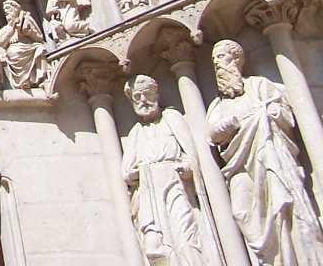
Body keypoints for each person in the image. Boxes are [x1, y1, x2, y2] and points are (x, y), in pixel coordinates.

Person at [206, 40, 323, 266]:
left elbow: (287, 115)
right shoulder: (219, 104)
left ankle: (295, 258)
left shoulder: (260, 86)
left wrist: (272, 112)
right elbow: (211, 134)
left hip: (270, 156)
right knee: (241, 212)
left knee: (282, 204)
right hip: (240, 167)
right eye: (214, 60)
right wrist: (227, 125)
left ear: (236, 59)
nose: (217, 64)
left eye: (221, 57)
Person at [122, 75, 206, 266]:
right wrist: (138, 171)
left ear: (157, 94)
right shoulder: (136, 132)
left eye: (147, 94)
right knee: (154, 248)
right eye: (137, 96)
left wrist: (186, 167)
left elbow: (192, 154)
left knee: (185, 238)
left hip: (176, 187)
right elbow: (126, 172)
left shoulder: (171, 118)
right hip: (148, 194)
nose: (143, 100)